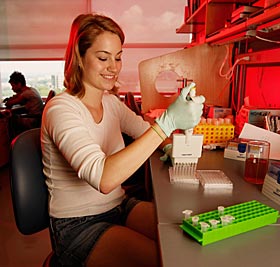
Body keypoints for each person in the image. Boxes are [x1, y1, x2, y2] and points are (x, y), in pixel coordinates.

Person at [41, 13, 205, 267]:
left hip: (119, 205)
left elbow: (144, 131)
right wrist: (167, 124)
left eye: (118, 57)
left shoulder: (110, 103)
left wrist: (172, 145)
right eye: (103, 58)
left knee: (188, 235)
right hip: (77, 226)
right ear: (80, 59)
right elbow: (103, 178)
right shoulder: (60, 109)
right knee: (166, 260)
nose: (114, 67)